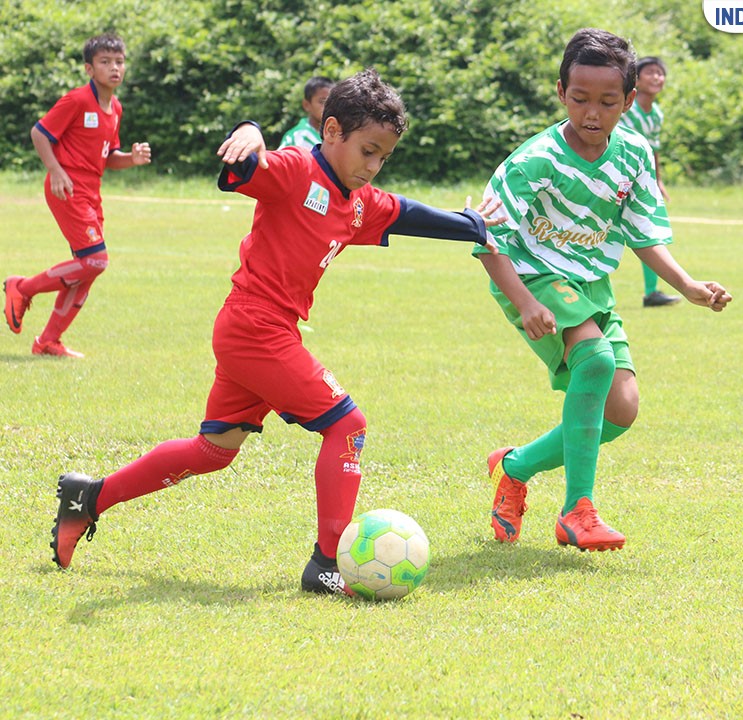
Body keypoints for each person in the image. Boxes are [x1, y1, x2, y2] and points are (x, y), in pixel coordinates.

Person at [49, 69, 503, 596]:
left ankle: (89, 496)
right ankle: (326, 564)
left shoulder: (356, 200)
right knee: (347, 424)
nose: (374, 166)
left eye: (384, 156)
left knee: (212, 451)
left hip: (261, 329)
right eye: (367, 151)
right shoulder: (294, 171)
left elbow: (404, 213)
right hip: (254, 327)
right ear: (331, 130)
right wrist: (249, 128)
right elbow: (244, 167)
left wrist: (470, 224)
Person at [474, 29, 732, 552]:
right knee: (594, 360)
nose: (592, 113)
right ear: (560, 93)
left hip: (590, 283)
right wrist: (525, 302)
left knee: (621, 411)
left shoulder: (633, 154)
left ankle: (515, 466)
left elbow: (642, 233)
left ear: (629, 101)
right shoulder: (534, 161)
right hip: (530, 274)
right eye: (580, 99)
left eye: (608, 101)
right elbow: (487, 240)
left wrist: (686, 285)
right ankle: (577, 510)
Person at [4, 33, 152, 358]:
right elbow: (39, 133)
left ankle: (47, 342)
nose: (114, 68)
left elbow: (109, 156)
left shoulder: (115, 107)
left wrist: (132, 158)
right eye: (105, 62)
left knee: (86, 268)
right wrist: (55, 170)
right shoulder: (76, 101)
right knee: (95, 261)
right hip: (67, 188)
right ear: (89, 68)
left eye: (119, 61)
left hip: (91, 193)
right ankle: (22, 287)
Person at [617, 55, 680, 308]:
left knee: (648, 232)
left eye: (660, 72)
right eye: (650, 72)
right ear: (637, 79)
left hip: (640, 180)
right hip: (615, 176)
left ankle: (652, 293)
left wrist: (657, 181)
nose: (657, 77)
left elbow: (653, 149)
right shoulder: (624, 107)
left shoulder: (656, 115)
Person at [279, 76, 333, 150]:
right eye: (322, 101)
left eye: (330, 102)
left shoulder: (333, 134)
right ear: (306, 105)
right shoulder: (300, 137)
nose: (327, 107)